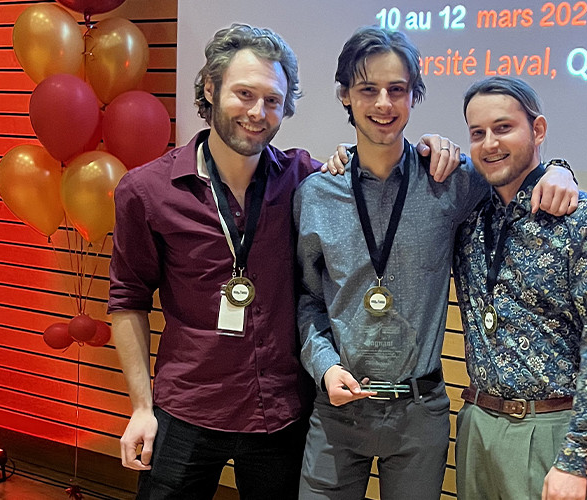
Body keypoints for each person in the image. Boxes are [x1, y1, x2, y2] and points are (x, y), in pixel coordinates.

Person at [108, 24, 465, 500]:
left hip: (279, 414)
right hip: (187, 409)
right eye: (244, 94)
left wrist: (435, 145)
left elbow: (369, 166)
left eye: (272, 100)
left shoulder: (304, 179)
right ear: (210, 88)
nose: (258, 112)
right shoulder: (147, 191)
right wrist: (140, 406)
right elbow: (127, 300)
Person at [292, 28, 580, 500]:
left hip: (418, 412)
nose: (383, 103)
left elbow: (516, 170)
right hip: (338, 410)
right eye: (368, 89)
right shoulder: (317, 194)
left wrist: (560, 169)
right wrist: (324, 366)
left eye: (397, 89)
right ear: (345, 95)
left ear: (414, 96)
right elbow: (308, 299)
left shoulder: (449, 179)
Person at [452, 76, 587, 500]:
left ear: (538, 129)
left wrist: (576, 459)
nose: (490, 144)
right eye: (477, 133)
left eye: (503, 128)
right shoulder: (467, 216)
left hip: (548, 429)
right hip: (477, 423)